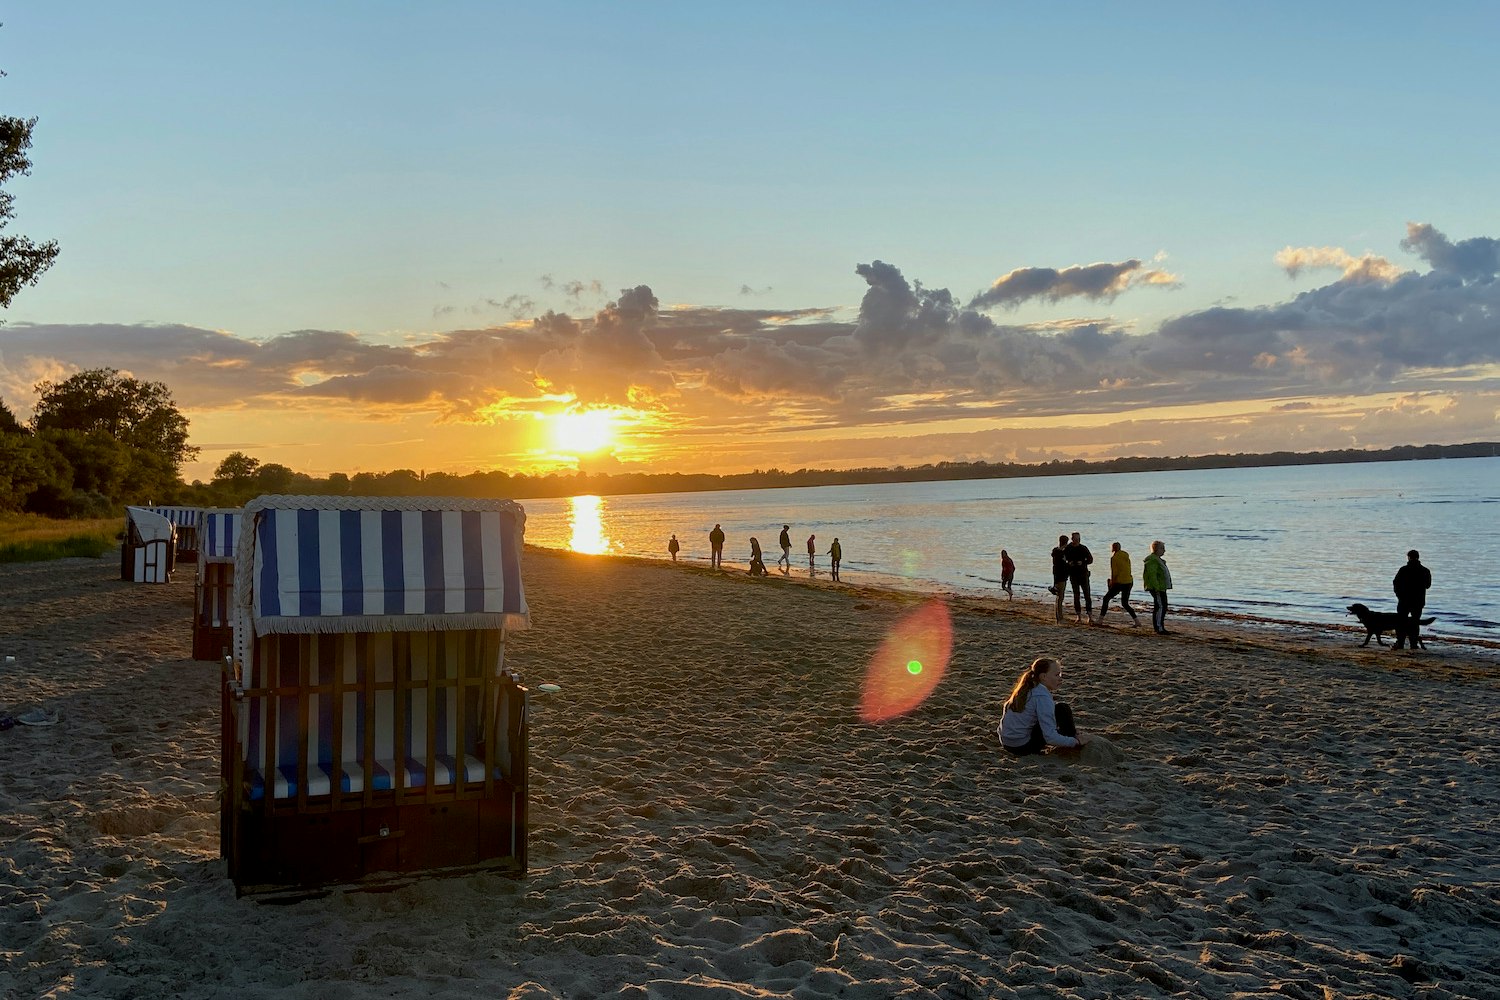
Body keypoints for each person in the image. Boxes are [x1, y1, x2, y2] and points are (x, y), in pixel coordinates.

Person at [998, 657, 1091, 755]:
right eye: (1056, 675)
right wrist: (1075, 742)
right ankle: (1075, 740)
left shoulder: (1026, 688)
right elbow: (1050, 737)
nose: (1060, 678)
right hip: (1022, 747)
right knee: (1062, 709)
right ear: (1043, 677)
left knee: (1053, 712)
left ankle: (1073, 735)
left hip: (1006, 742)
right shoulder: (1041, 696)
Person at [1391, 549, 1432, 651]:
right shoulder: (1425, 571)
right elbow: (1428, 585)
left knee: (1401, 622)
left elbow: (1396, 583)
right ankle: (1413, 644)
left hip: (1404, 600)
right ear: (1418, 557)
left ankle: (1400, 643)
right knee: (1415, 622)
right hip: (1418, 601)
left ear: (1408, 557)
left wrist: (1399, 595)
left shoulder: (1403, 570)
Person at [1098, 541, 1139, 626]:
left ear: (1113, 549)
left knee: (1106, 599)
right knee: (1125, 603)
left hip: (1120, 582)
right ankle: (1137, 621)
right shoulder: (1125, 555)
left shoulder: (1114, 558)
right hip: (1129, 581)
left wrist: (1112, 583)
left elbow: (1114, 572)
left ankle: (1100, 620)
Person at [1143, 540, 1173, 634]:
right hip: (1157, 587)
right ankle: (1158, 627)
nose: (1164, 551)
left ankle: (1160, 626)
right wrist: (1156, 587)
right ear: (1156, 549)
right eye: (1162, 549)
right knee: (1160, 606)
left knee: (1162, 606)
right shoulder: (1152, 559)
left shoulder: (1158, 559)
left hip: (1161, 587)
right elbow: (1152, 575)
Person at [1064, 531, 1094, 623]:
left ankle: (1089, 616)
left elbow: (1090, 559)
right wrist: (1069, 563)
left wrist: (1083, 562)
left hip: (1083, 573)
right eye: (1074, 539)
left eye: (1078, 539)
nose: (1076, 540)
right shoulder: (1068, 548)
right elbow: (1063, 559)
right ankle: (1078, 616)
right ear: (1072, 539)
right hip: (1073, 574)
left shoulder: (1083, 548)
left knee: (1087, 595)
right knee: (1076, 595)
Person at [1049, 534, 1070, 623]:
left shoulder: (1057, 552)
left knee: (1059, 597)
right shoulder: (1060, 553)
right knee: (1060, 597)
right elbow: (1062, 565)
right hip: (1060, 577)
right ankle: (1059, 617)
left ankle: (1059, 616)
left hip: (1059, 576)